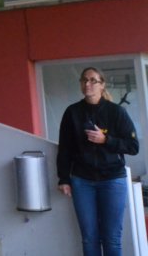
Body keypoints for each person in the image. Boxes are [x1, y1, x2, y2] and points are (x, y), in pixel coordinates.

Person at [57, 67, 139, 256]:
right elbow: (65, 148)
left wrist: (106, 140)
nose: (88, 84)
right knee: (89, 238)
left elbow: (133, 146)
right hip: (82, 181)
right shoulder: (72, 112)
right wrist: (64, 178)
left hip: (112, 180)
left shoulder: (116, 112)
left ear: (102, 85)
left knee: (112, 238)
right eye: (84, 80)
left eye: (93, 80)